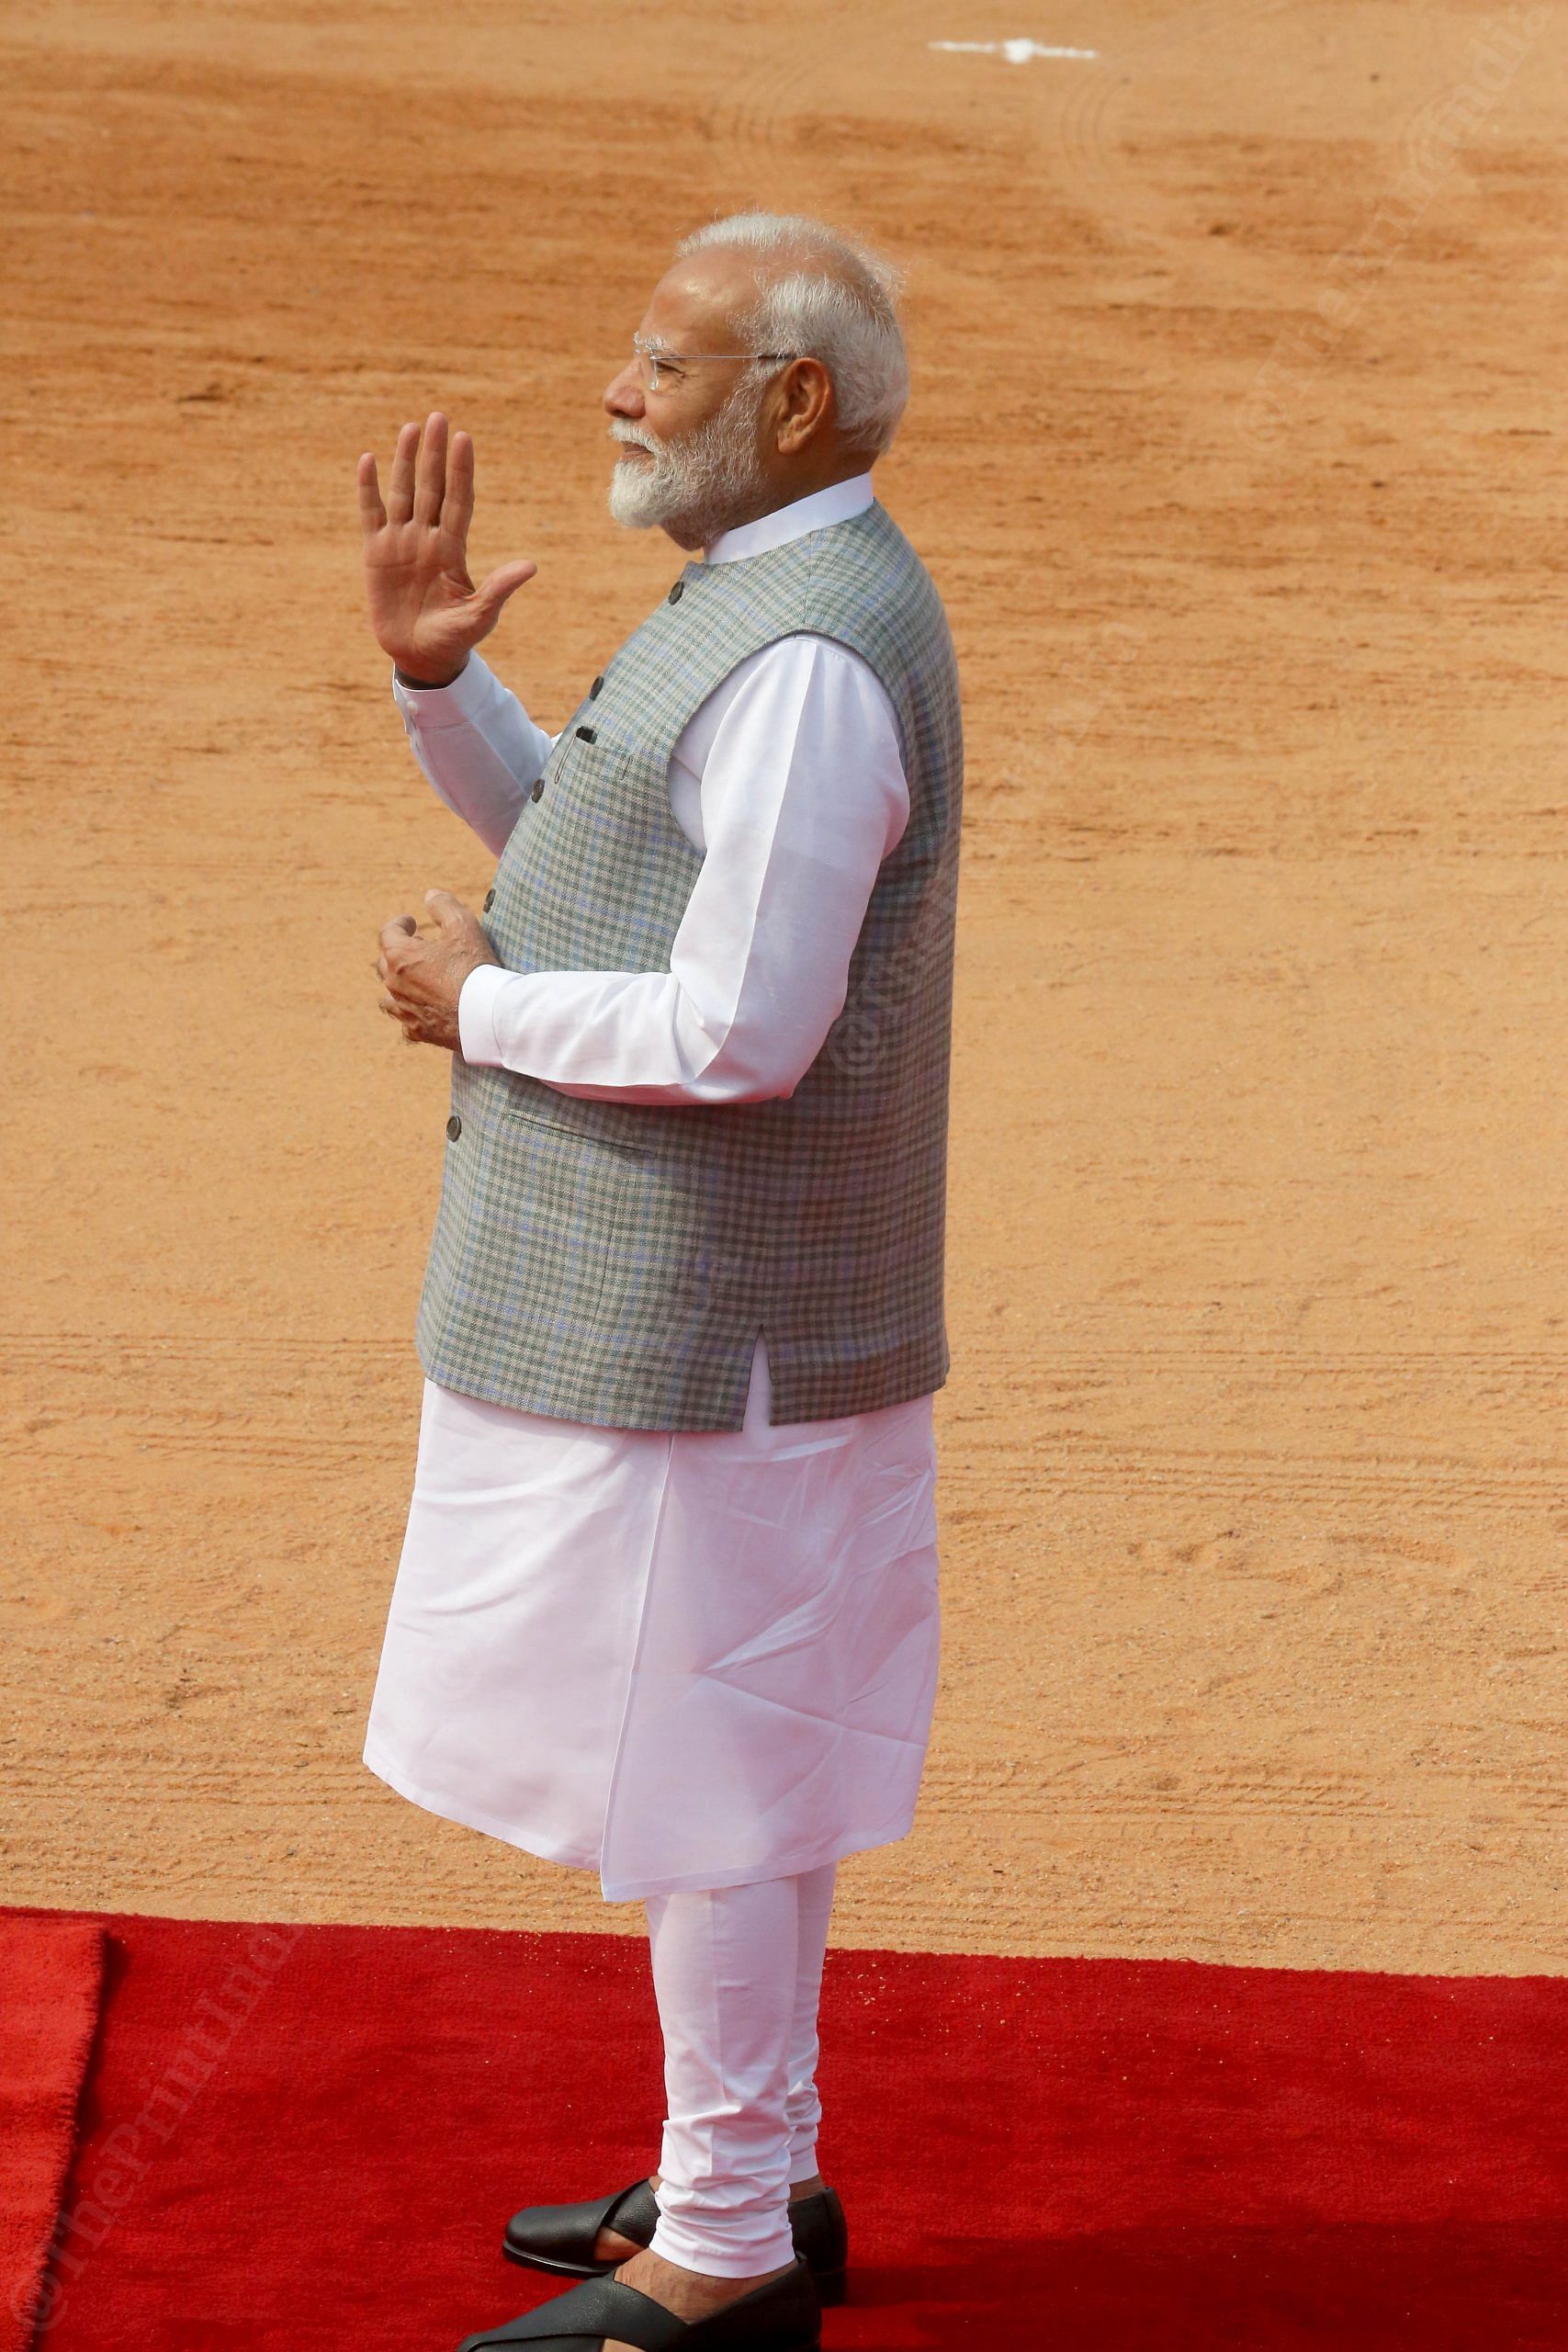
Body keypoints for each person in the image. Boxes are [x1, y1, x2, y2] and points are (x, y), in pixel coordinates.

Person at [357, 209, 964, 2352]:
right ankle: (747, 2168)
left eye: (667, 363)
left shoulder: (800, 658)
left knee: (714, 1778)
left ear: (790, 403)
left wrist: (479, 1004)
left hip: (716, 1334)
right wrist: (446, 684)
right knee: (746, 1764)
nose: (619, 393)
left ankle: (713, 2249)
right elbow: (596, 849)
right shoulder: (757, 603)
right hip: (732, 1327)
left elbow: (734, 1028)